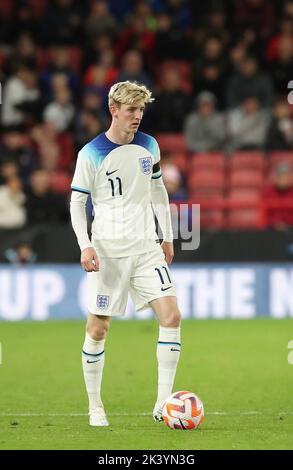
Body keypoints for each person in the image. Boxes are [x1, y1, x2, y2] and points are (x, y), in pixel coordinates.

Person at [70, 81, 181, 427]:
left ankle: (163, 404)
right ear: (114, 110)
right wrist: (85, 244)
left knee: (172, 317)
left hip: (147, 247)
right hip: (109, 252)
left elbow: (158, 189)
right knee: (99, 328)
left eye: (141, 110)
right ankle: (95, 406)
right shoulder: (91, 153)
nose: (137, 117)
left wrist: (168, 236)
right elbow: (77, 202)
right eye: (132, 110)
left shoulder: (149, 145)